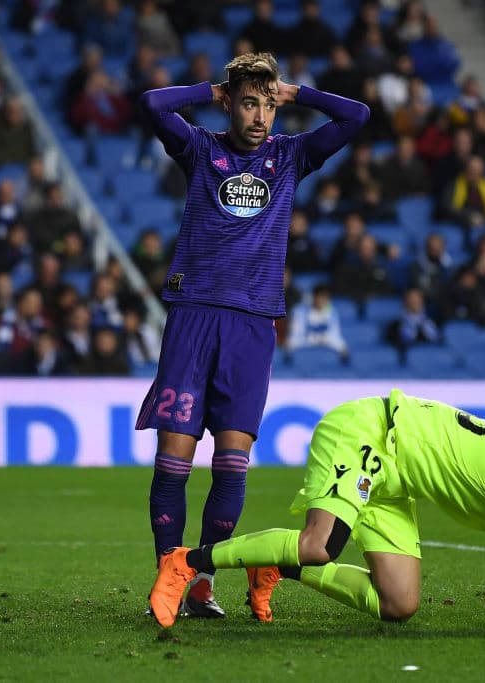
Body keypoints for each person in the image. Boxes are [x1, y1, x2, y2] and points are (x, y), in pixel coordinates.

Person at [136, 51, 369, 617]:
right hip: (193, 312)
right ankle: (170, 571)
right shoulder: (201, 149)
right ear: (229, 103)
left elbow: (356, 116)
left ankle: (201, 580)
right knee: (174, 458)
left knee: (232, 462)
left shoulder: (290, 157)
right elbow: (151, 104)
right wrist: (210, 90)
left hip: (253, 321)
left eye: (267, 104)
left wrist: (299, 94)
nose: (260, 115)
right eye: (248, 102)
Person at [149, 389, 485, 629]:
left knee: (398, 604)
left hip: (397, 479)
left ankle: (276, 566)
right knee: (320, 544)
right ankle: (186, 562)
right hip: (368, 434)